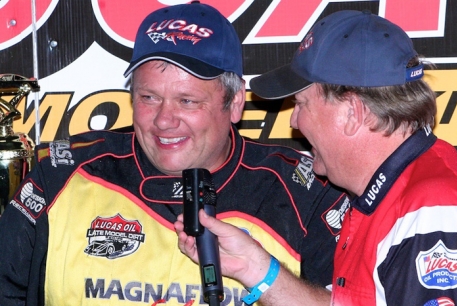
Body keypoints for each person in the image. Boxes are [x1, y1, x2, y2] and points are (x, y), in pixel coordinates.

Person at [0, 2, 348, 305]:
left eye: (187, 101)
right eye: (149, 98)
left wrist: (266, 275)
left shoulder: (305, 193)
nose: (164, 121)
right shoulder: (63, 173)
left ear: (236, 102)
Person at [175, 9, 457, 306]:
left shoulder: (430, 209)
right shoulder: (391, 194)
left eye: (301, 104)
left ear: (352, 112)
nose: (294, 121)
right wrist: (254, 266)